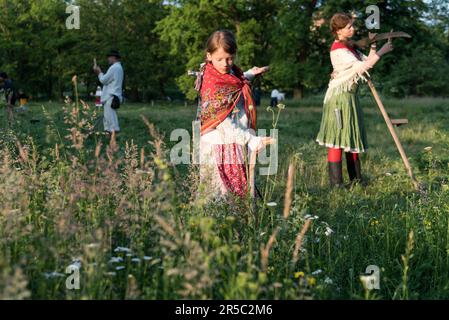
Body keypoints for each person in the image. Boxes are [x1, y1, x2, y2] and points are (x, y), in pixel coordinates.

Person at [316, 13, 394, 188]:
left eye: (352, 25)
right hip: (338, 98)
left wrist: (374, 47)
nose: (353, 29)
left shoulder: (349, 47)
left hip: (350, 97)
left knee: (351, 136)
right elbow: (363, 67)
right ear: (338, 31)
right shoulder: (338, 49)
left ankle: (356, 181)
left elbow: (367, 61)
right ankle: (336, 185)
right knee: (337, 139)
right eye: (348, 27)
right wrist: (383, 51)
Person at [195, 30, 274, 202]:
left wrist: (250, 74)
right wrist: (251, 139)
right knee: (221, 189)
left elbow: (234, 82)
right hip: (221, 143)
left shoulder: (227, 73)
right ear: (209, 56)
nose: (225, 63)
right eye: (220, 59)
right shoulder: (213, 83)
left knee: (234, 187)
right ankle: (217, 224)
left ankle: (234, 223)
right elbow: (224, 123)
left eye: (230, 58)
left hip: (233, 140)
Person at [93, 50, 124, 134]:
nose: (108, 59)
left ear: (113, 57)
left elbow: (103, 80)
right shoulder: (118, 67)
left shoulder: (114, 67)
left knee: (111, 122)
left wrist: (99, 72)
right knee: (108, 120)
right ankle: (109, 141)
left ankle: (113, 142)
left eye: (109, 57)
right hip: (112, 97)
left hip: (111, 97)